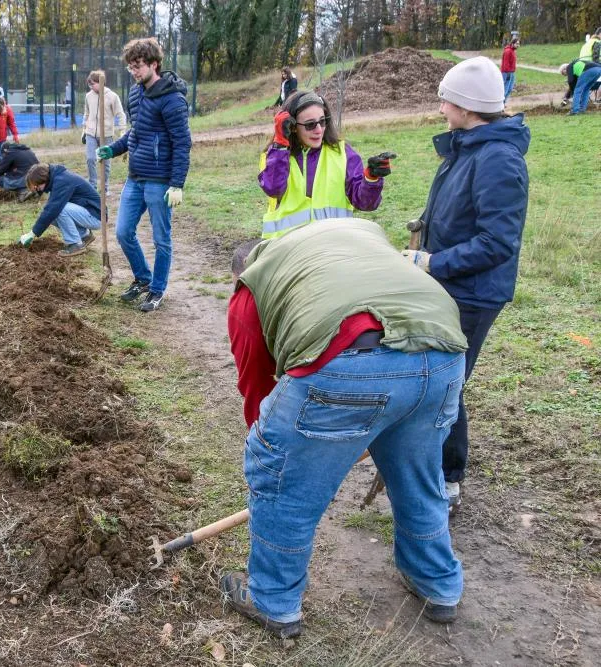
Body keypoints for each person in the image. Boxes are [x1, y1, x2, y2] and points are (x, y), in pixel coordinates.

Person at [222, 219, 468, 638]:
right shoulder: (350, 236)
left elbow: (257, 388)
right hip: (443, 353)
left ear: (243, 273)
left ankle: (274, 602)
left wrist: (280, 458)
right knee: (419, 475)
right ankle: (438, 586)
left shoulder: (250, 291)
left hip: (352, 362)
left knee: (287, 489)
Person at [402, 56, 529, 515]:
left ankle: (449, 479)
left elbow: (498, 242)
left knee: (446, 384)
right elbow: (461, 216)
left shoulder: (499, 160)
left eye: (445, 99)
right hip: (451, 284)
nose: (439, 108)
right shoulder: (468, 147)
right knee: (438, 379)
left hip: (473, 294)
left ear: (466, 105)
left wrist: (434, 261)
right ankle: (428, 463)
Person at [97, 37, 192, 313]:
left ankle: (157, 290)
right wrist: (112, 150)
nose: (135, 72)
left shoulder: (172, 99)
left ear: (154, 64)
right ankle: (142, 278)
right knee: (123, 231)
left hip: (160, 180)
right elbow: (136, 132)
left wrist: (177, 184)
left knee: (161, 239)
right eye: (131, 67)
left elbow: (182, 142)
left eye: (138, 66)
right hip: (135, 176)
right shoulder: (136, 94)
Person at [259, 91, 392, 240]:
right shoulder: (275, 155)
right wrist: (280, 144)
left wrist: (371, 178)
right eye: (310, 125)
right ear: (293, 126)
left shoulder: (343, 153)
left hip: (333, 244)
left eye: (322, 121)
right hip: (287, 247)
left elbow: (365, 203)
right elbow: (273, 188)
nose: (318, 130)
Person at [18, 163, 101, 257]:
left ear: (42, 179)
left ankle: (76, 244)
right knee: (51, 215)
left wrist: (33, 233)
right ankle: (84, 236)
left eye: (37, 186)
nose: (37, 190)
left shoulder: (62, 181)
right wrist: (33, 232)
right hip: (88, 212)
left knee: (59, 210)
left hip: (96, 215)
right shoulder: (57, 178)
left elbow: (53, 208)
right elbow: (48, 211)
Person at [81, 69, 126, 191]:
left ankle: (105, 187)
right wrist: (84, 129)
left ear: (100, 82)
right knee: (91, 159)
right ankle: (92, 186)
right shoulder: (88, 96)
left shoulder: (112, 96)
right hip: (91, 133)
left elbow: (120, 114)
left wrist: (122, 131)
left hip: (106, 134)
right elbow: (86, 113)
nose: (90, 86)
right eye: (89, 84)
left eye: (92, 84)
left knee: (105, 162)